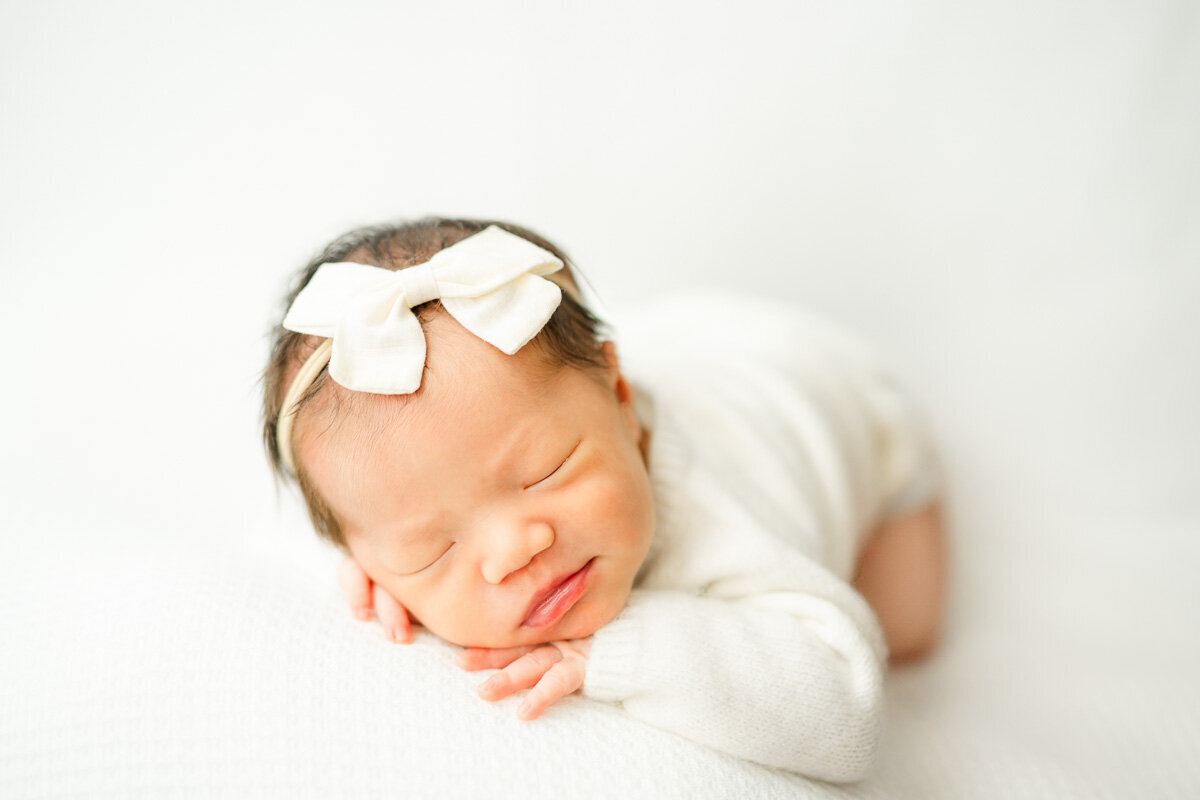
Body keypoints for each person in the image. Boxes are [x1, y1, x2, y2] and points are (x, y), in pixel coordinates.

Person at [259, 217, 947, 783]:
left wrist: (618, 651)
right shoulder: (409, 498)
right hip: (669, 342)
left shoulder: (727, 515)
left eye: (545, 471)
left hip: (826, 384)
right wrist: (383, 575)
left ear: (621, 401)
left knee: (907, 627)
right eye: (433, 546)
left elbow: (846, 715)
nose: (513, 550)